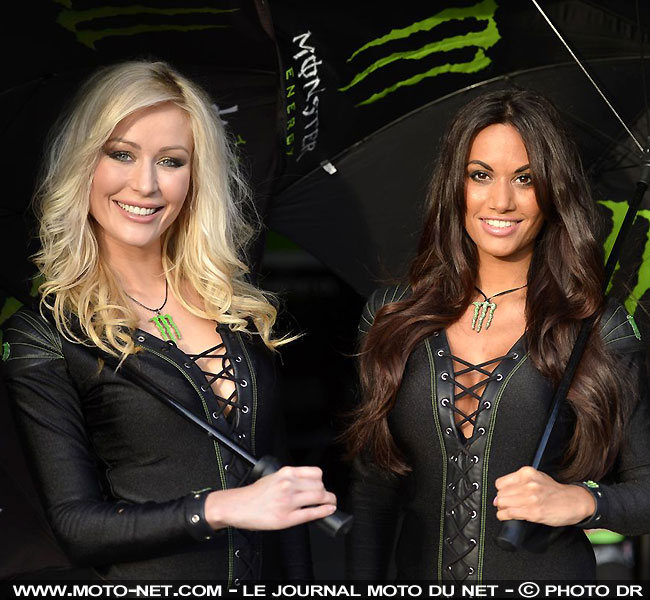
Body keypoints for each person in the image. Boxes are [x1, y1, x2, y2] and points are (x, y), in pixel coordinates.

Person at [1, 60, 336, 581]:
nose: (146, 184)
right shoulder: (46, 334)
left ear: (195, 176)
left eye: (171, 161)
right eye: (121, 154)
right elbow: (76, 527)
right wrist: (221, 508)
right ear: (83, 164)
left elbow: (284, 497)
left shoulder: (236, 307)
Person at [344, 89, 650, 581]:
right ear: (456, 185)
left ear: (554, 191)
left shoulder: (595, 325)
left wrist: (582, 501)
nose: (501, 201)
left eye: (525, 179)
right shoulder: (393, 316)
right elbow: (373, 492)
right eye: (480, 175)